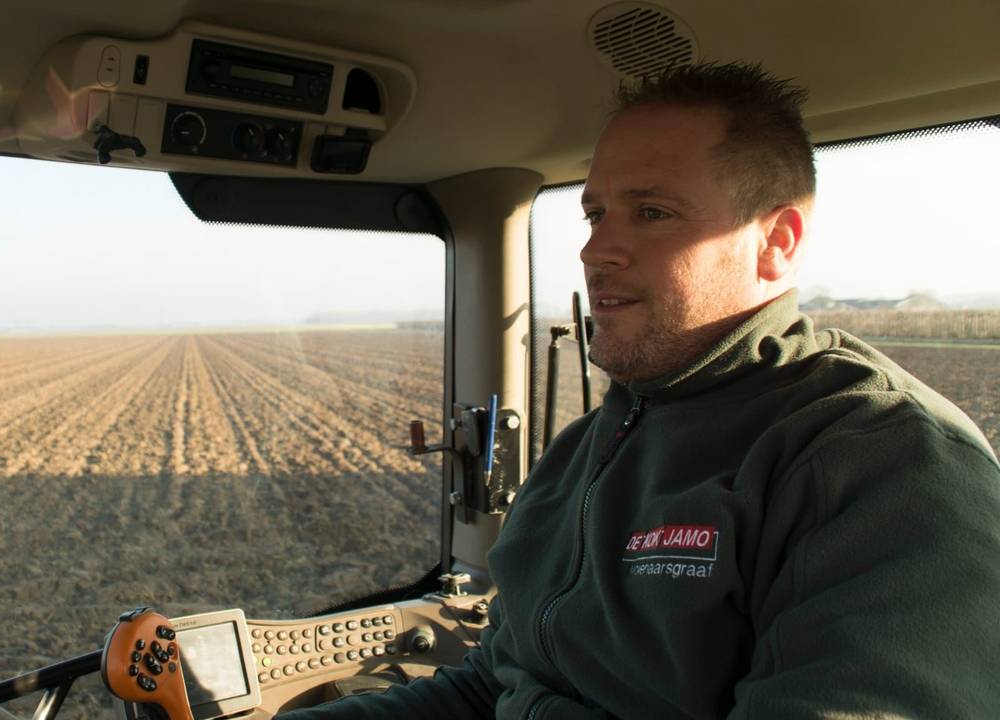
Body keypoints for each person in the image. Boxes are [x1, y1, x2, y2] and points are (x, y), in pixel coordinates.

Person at [275, 61, 1000, 719]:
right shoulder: (577, 458)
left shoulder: (883, 465)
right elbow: (491, 687)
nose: (595, 251)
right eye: (595, 215)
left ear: (775, 242)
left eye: (652, 212)